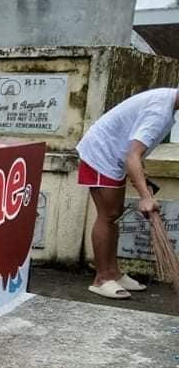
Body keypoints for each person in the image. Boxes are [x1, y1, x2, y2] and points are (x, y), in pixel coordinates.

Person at [76, 87, 178, 299]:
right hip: (100, 155)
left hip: (114, 157)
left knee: (115, 214)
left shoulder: (167, 104)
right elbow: (132, 156)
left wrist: (143, 182)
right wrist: (145, 197)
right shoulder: (160, 111)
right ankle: (102, 278)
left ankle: (113, 272)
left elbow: (135, 151)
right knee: (108, 215)